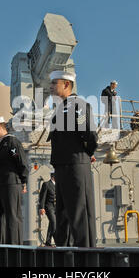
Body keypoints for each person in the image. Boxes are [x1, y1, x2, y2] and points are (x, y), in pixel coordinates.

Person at [48, 70, 98, 247]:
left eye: (55, 83)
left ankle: (86, 260)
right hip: (61, 166)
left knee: (79, 215)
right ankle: (66, 258)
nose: (51, 87)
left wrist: (88, 153)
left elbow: (89, 134)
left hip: (76, 164)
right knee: (63, 216)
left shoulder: (79, 106)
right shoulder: (60, 108)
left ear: (67, 85)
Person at [0, 116, 29, 245]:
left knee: (12, 217)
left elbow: (22, 163)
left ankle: (15, 247)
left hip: (11, 183)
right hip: (0, 185)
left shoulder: (12, 142)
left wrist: (23, 181)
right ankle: (0, 246)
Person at [38, 171, 56, 246]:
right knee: (54, 222)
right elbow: (42, 197)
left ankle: (48, 242)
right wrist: (41, 208)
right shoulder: (46, 184)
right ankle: (56, 239)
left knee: (52, 224)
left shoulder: (58, 185)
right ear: (53, 176)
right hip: (49, 207)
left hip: (56, 207)